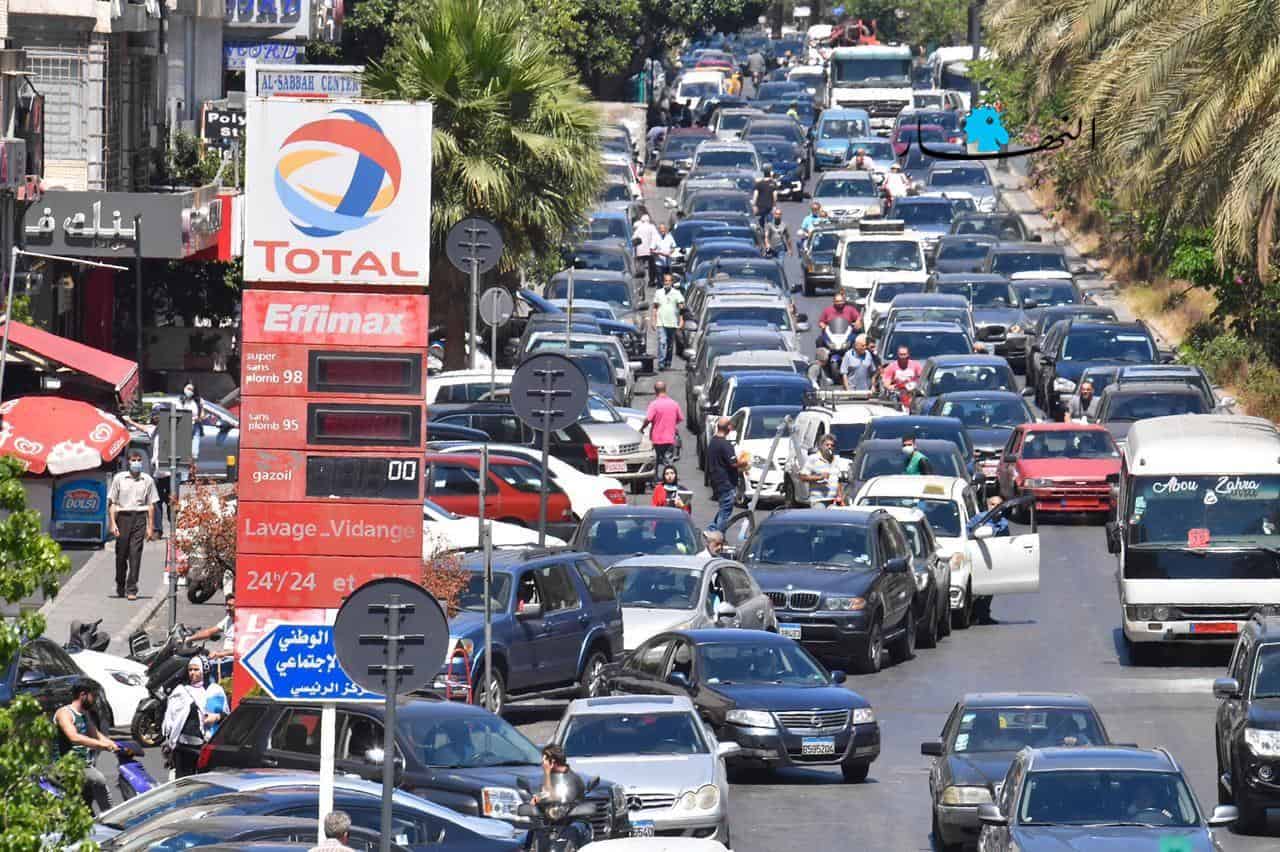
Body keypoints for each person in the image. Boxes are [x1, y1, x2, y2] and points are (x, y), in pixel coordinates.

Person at [54, 680, 121, 812]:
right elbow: (73, 737)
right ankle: (111, 817)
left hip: (84, 764)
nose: (95, 700)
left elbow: (95, 733)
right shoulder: (64, 713)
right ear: (83, 695)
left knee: (87, 800)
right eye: (93, 696)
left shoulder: (84, 714)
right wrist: (101, 745)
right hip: (68, 765)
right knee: (99, 780)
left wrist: (112, 744)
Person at [108, 450, 158, 601]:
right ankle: (120, 583)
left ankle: (132, 588)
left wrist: (150, 527)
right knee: (121, 554)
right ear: (128, 462)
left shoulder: (147, 480)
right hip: (123, 517)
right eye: (133, 460)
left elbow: (151, 505)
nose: (136, 463)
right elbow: (112, 503)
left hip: (139, 518)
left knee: (135, 554)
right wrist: (113, 523)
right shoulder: (119, 479)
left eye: (139, 460)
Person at [162, 656, 219, 778]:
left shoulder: (213, 691)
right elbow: (170, 717)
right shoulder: (180, 691)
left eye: (196, 669)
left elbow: (225, 714)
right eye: (190, 669)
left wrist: (216, 717)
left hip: (202, 746)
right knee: (181, 781)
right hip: (181, 746)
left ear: (204, 670)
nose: (192, 673)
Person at [707, 417, 747, 532]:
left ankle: (711, 531)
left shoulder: (713, 442)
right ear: (728, 428)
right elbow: (733, 463)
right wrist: (744, 462)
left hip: (716, 482)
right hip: (726, 483)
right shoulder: (725, 444)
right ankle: (717, 536)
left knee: (723, 510)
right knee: (725, 513)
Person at [642, 380, 684, 482]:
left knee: (655, 460)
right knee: (668, 460)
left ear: (655, 391)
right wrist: (671, 423)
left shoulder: (654, 404)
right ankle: (670, 480)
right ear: (665, 389)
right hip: (670, 437)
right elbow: (680, 418)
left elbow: (648, 419)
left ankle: (655, 480)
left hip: (656, 438)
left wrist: (642, 428)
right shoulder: (674, 404)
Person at [191, 594, 236, 680]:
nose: (227, 608)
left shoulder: (244, 623)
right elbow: (209, 632)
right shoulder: (228, 619)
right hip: (224, 657)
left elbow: (242, 650)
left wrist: (220, 654)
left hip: (233, 661)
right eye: (226, 605)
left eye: (230, 606)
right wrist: (189, 639)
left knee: (206, 669)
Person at [651, 273, 685, 369]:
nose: (667, 283)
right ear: (663, 282)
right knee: (662, 341)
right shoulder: (658, 292)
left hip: (672, 322)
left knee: (669, 344)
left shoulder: (677, 293)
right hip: (661, 322)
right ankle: (661, 362)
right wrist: (653, 320)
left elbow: (682, 308)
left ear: (672, 282)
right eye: (666, 281)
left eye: (669, 281)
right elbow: (655, 307)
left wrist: (681, 320)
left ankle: (668, 362)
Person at [801, 434, 844, 507]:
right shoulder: (813, 458)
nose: (830, 447)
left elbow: (838, 480)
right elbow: (802, 477)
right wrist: (820, 477)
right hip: (818, 500)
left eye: (832, 445)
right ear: (821, 446)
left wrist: (840, 497)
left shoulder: (836, 460)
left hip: (833, 501)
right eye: (827, 445)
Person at [176, 381, 204, 472]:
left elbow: (202, 415)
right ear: (184, 389)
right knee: (184, 453)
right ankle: (184, 473)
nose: (190, 391)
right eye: (188, 389)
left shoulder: (197, 401)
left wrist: (199, 418)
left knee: (194, 453)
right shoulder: (180, 400)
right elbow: (178, 414)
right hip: (184, 427)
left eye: (192, 390)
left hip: (195, 427)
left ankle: (192, 472)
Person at [632, 214, 660, 287]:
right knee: (652, 266)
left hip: (640, 251)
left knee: (641, 267)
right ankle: (651, 281)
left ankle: (640, 283)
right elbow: (656, 238)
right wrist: (653, 247)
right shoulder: (652, 227)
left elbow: (634, 238)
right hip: (650, 250)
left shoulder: (639, 227)